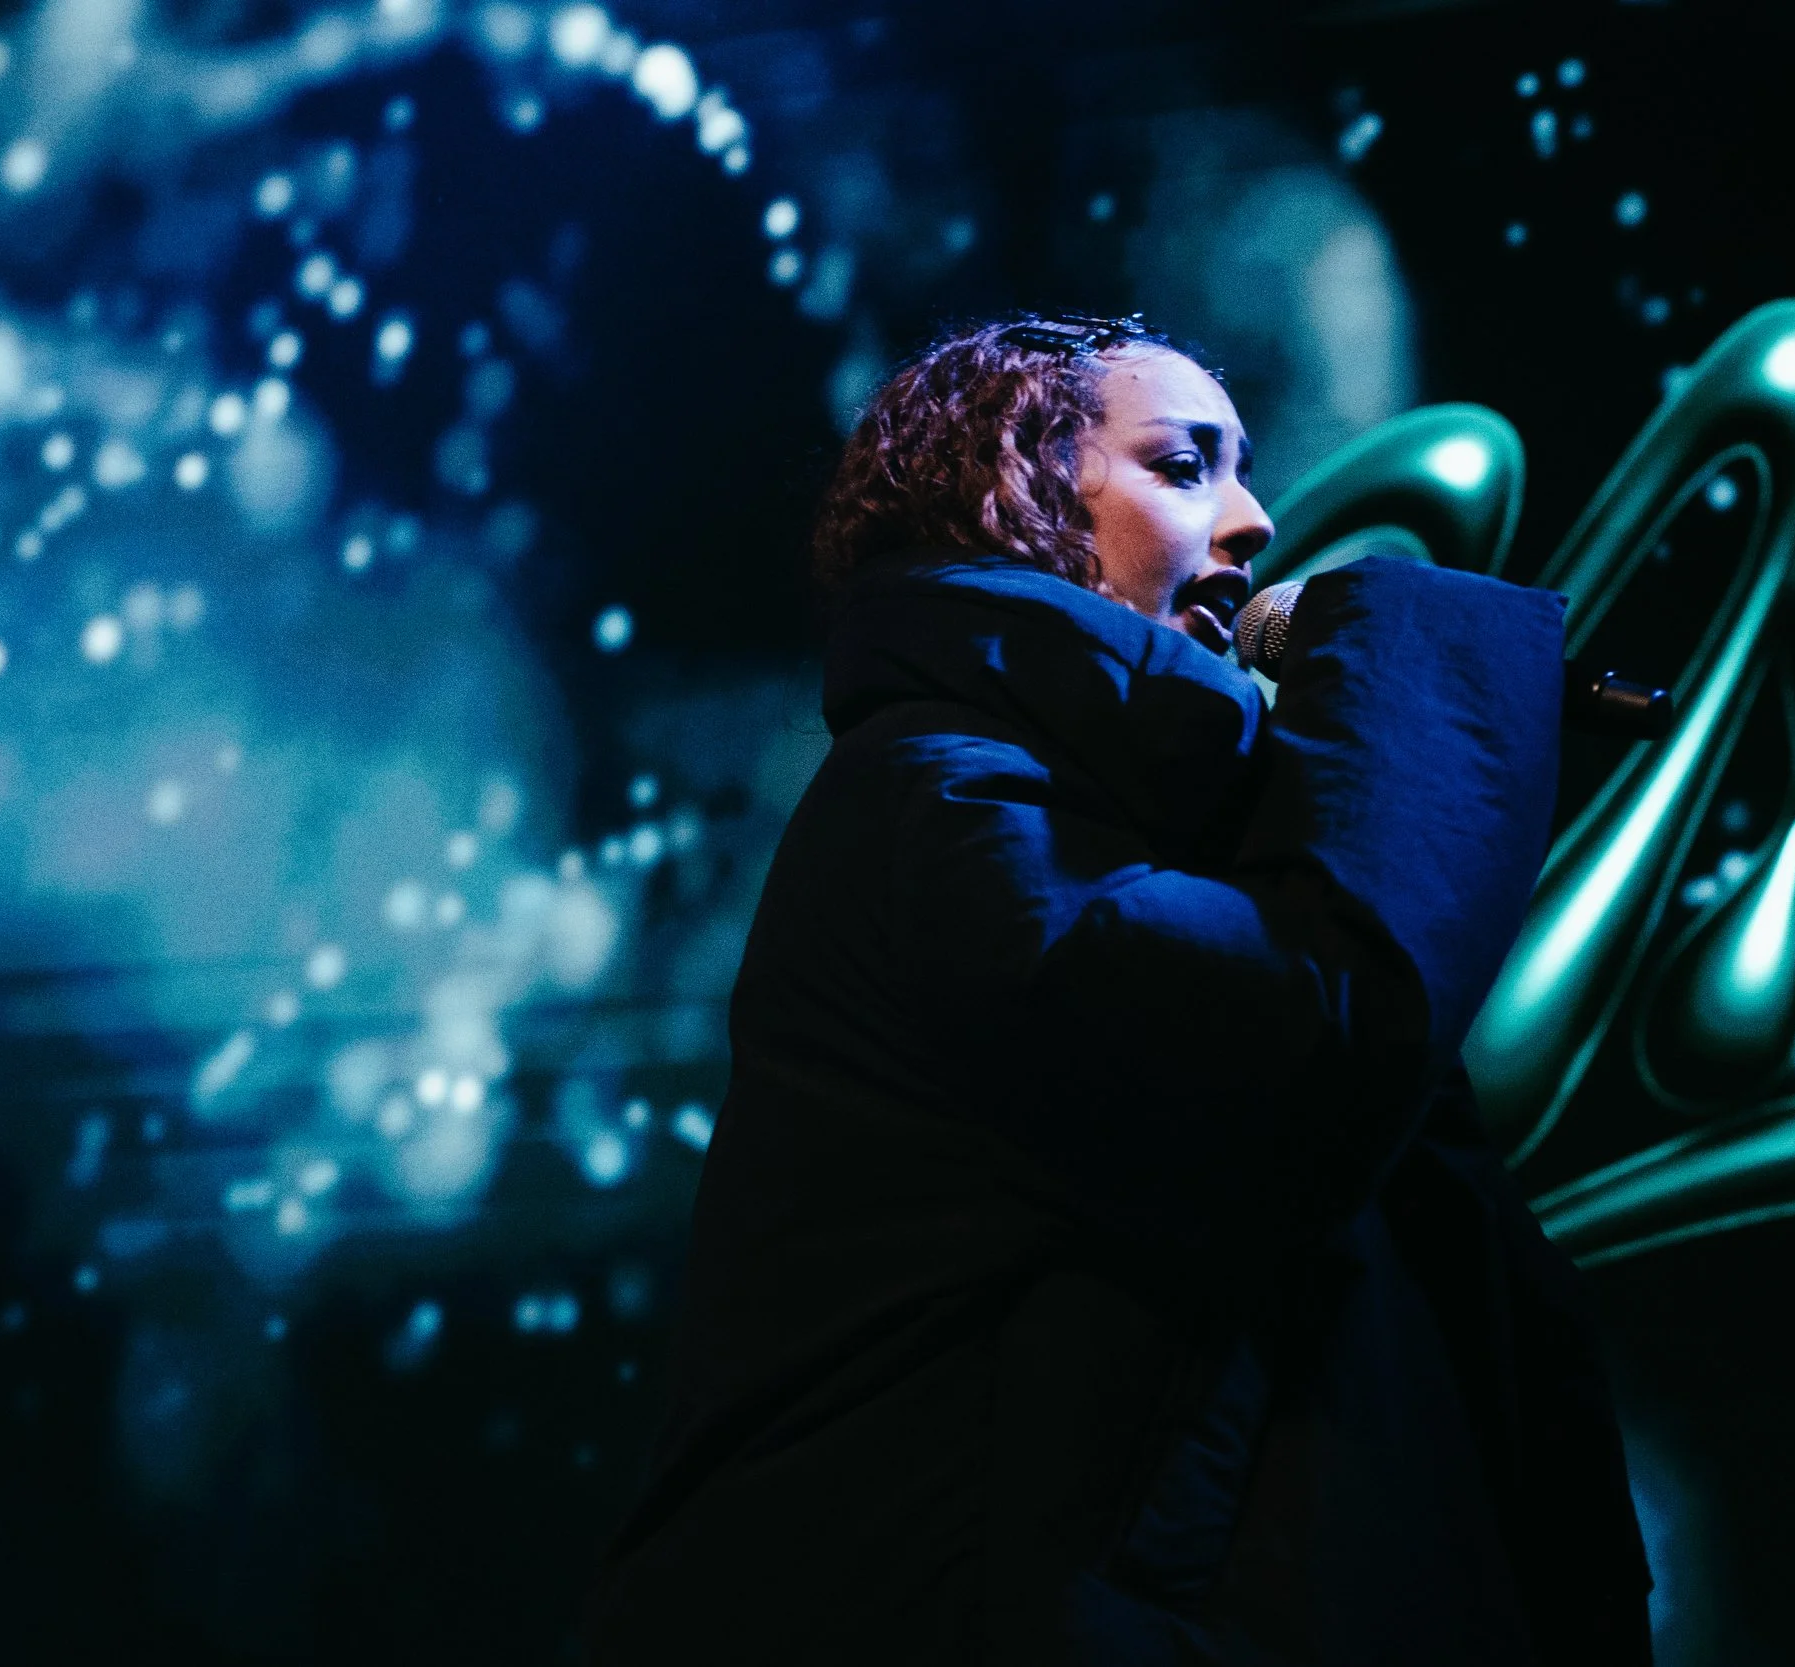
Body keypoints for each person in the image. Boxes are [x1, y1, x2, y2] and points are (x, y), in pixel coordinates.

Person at [587, 314, 1650, 1665]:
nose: (1257, 520)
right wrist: (1420, 664)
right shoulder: (935, 799)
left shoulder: (1159, 837)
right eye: (1186, 461)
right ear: (1012, 500)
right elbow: (1304, 1041)